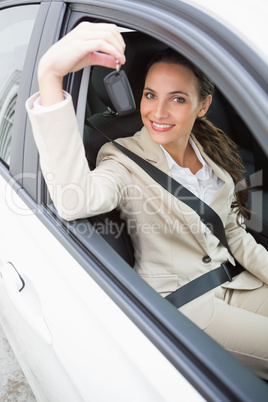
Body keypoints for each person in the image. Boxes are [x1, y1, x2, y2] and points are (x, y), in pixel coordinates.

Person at [26, 22, 268, 379]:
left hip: (234, 281)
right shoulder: (123, 158)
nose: (158, 112)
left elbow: (235, 235)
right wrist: (50, 75)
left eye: (177, 99)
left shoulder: (214, 152)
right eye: (150, 95)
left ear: (203, 106)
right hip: (187, 306)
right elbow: (75, 201)